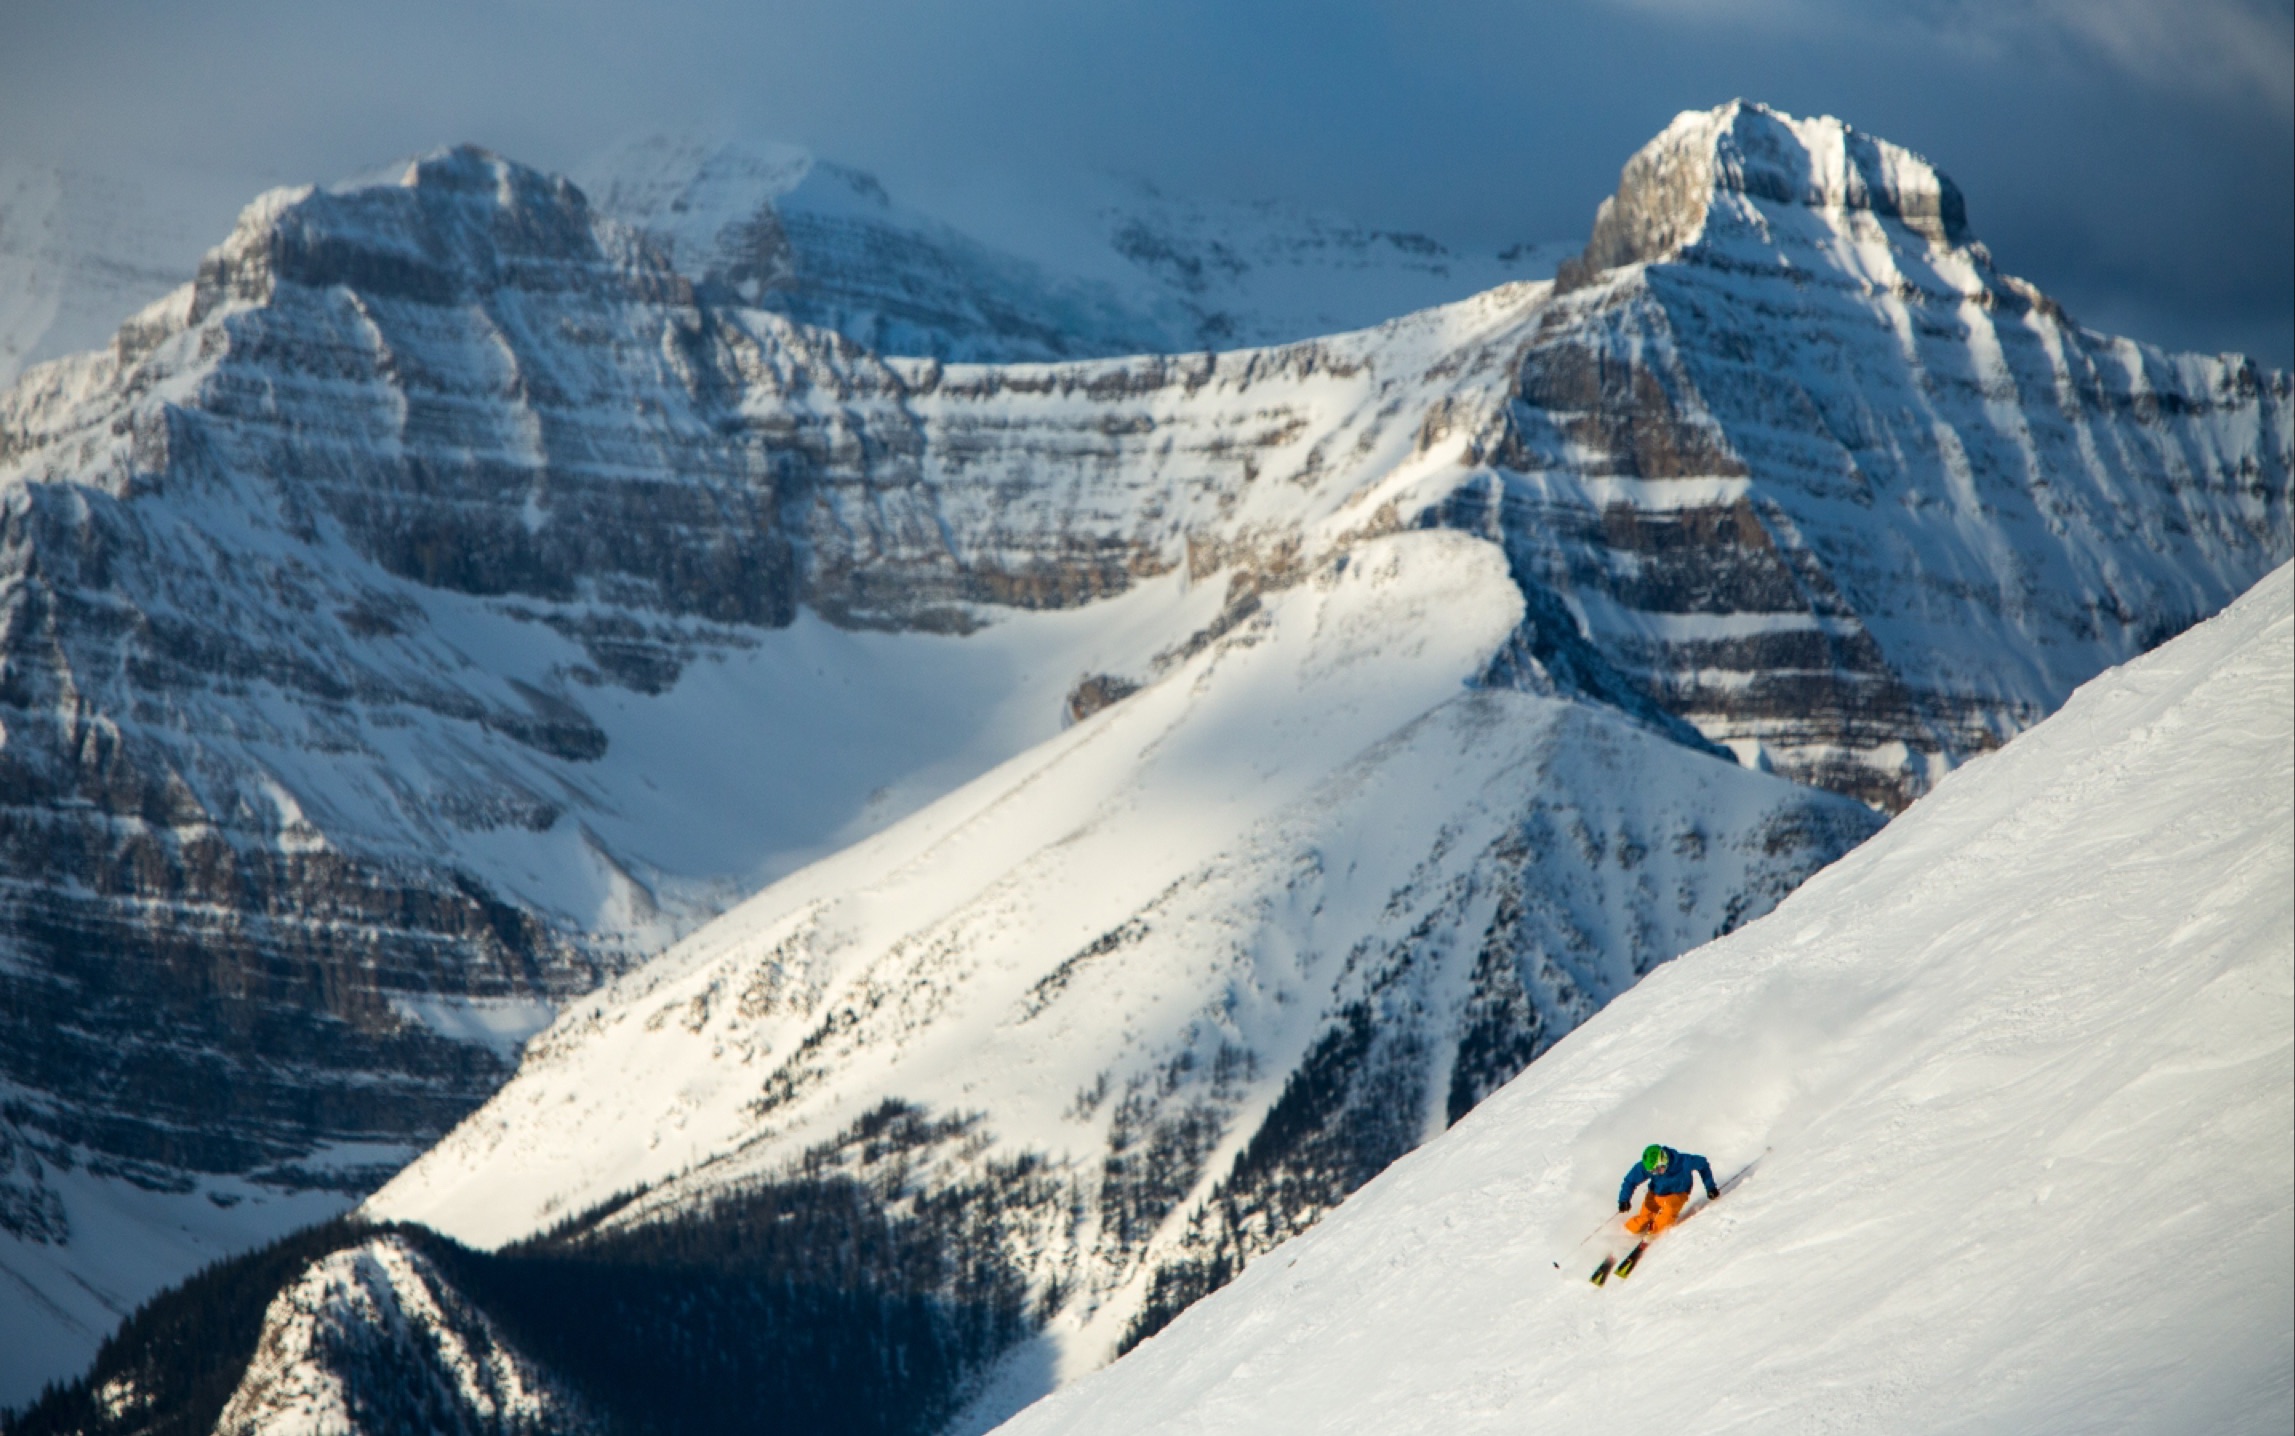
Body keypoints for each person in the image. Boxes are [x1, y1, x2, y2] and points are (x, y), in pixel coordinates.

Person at [1617, 1143, 1719, 1236]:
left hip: (1678, 1193)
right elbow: (1630, 1181)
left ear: (1664, 1159)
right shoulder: (1647, 1166)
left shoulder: (1684, 1162)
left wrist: (1710, 1188)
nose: (1656, 1173)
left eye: (1658, 1169)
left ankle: (1653, 1235)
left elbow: (1703, 1164)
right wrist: (1624, 1200)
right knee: (1644, 1217)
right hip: (1656, 1193)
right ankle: (1625, 1235)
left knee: (1668, 1211)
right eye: (1652, 1171)